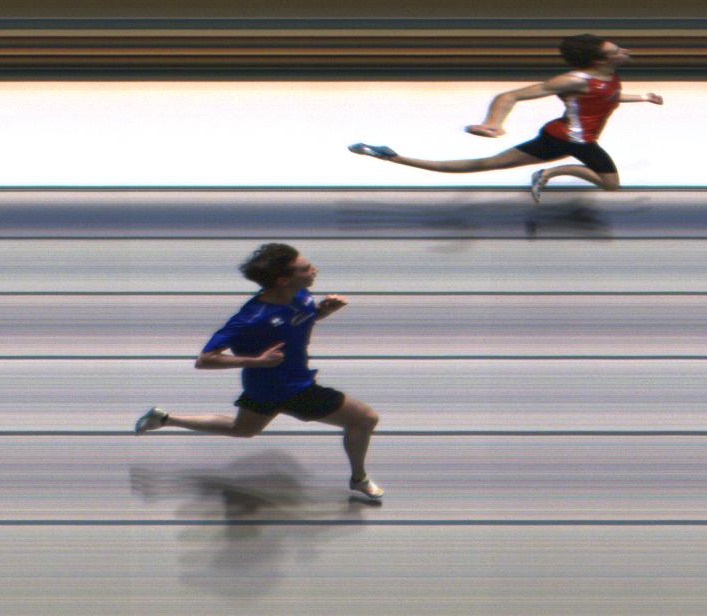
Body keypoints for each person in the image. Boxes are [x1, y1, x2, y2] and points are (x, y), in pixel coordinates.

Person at [134, 243, 385, 502]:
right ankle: (359, 479)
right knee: (365, 419)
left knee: (242, 429)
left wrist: (323, 311)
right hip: (292, 389)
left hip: (262, 388)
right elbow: (205, 360)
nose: (314, 270)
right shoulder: (251, 318)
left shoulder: (301, 295)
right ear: (283, 280)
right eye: (306, 268)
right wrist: (258, 361)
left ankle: (164, 419)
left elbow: (297, 321)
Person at [348, 34, 662, 203]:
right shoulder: (573, 80)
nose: (624, 52)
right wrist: (493, 124)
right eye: (616, 51)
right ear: (598, 60)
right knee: (610, 185)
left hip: (571, 138)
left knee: (486, 164)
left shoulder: (608, 75)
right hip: (569, 140)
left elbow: (608, 97)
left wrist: (643, 97)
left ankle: (548, 172)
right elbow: (509, 96)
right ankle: (391, 156)